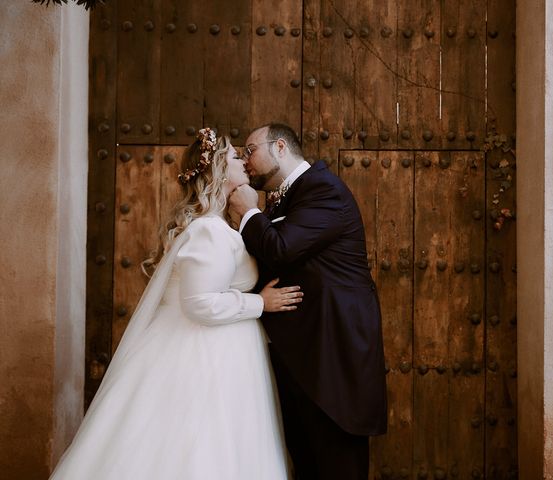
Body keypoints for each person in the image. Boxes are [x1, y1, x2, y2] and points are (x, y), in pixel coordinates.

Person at [49, 129, 301, 480]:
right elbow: (199, 303)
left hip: (226, 354)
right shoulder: (209, 231)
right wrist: (259, 303)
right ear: (216, 170)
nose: (243, 160)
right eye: (232, 157)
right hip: (202, 356)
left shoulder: (219, 227)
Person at [229, 123, 387, 480]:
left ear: (280, 147)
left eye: (250, 149)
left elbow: (281, 249)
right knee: (307, 465)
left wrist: (249, 213)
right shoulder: (282, 198)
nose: (245, 159)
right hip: (299, 359)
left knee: (336, 467)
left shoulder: (323, 190)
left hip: (332, 359)